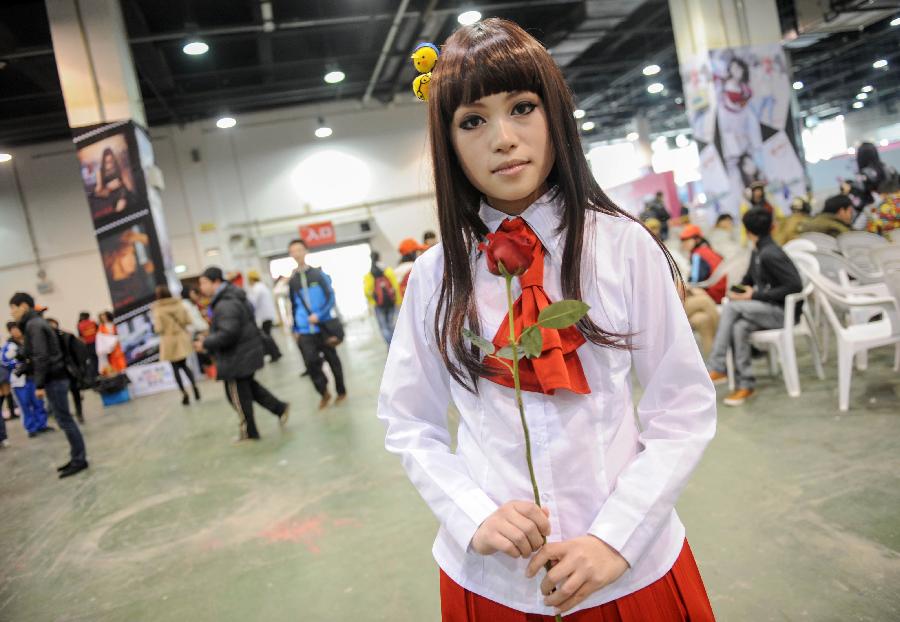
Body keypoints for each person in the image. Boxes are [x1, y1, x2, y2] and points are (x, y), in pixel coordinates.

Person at [377, 19, 716, 620]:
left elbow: (682, 407)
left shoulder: (624, 247)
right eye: (472, 120)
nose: (503, 138)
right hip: (496, 579)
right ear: (448, 141)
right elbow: (410, 420)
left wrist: (616, 536)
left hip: (628, 568)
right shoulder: (434, 276)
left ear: (554, 113)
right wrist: (472, 513)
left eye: (522, 107)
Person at [708, 208, 803, 406]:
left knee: (732, 309)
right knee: (738, 327)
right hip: (766, 310)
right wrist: (738, 290)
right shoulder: (758, 251)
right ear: (773, 227)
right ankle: (746, 384)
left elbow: (795, 286)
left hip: (783, 313)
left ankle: (718, 366)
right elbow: (748, 280)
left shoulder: (770, 254)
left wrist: (755, 294)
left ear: (747, 232)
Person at [196, 268, 289, 442]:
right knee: (249, 389)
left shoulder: (225, 302)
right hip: (244, 352)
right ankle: (279, 408)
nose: (201, 287)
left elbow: (228, 333)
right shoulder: (230, 297)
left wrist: (206, 343)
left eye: (203, 282)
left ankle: (249, 432)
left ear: (215, 282)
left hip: (237, 356)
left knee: (237, 396)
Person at [9, 293, 88, 478]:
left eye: (13, 308)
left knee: (65, 420)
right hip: (55, 378)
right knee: (63, 419)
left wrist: (39, 384)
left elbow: (41, 356)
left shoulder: (34, 325)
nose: (12, 313)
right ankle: (76, 456)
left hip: (54, 379)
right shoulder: (35, 323)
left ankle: (80, 459)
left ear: (23, 306)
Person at [288, 239, 347, 409]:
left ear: (305, 251)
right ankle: (323, 392)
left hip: (323, 325)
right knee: (310, 362)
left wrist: (319, 315)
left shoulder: (318, 275)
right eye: (293, 251)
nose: (297, 253)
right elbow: (293, 305)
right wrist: (295, 328)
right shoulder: (293, 280)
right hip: (304, 329)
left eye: (299, 249)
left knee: (333, 360)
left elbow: (330, 297)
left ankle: (341, 391)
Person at [680, 225, 725, 356]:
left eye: (686, 240)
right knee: (703, 316)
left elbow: (694, 280)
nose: (683, 244)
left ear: (696, 239)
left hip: (711, 294)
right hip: (716, 295)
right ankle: (718, 359)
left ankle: (716, 362)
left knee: (702, 315)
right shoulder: (708, 250)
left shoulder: (698, 254)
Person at [152, 285, 200, 406]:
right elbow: (188, 321)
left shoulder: (158, 309)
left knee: (175, 368)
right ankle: (194, 387)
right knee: (184, 365)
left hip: (168, 340)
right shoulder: (179, 304)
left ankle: (184, 393)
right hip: (181, 338)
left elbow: (159, 328)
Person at [2, 322, 51, 437]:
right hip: (19, 381)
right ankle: (31, 428)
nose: (16, 332)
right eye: (13, 330)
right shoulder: (9, 346)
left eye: (18, 329)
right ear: (10, 332)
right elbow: (4, 361)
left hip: (33, 377)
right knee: (25, 405)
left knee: (38, 402)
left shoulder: (29, 342)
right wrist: (18, 364)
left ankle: (42, 425)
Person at [46, 318, 88, 424]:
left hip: (69, 370)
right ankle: (61, 417)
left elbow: (79, 351)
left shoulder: (66, 336)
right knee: (58, 397)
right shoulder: (45, 341)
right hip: (57, 373)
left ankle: (79, 414)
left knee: (75, 393)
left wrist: (79, 368)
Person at [363, 251, 400, 345]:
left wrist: (373, 302)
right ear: (380, 257)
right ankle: (396, 345)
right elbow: (395, 286)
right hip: (392, 302)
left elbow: (367, 291)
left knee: (384, 328)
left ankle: (390, 347)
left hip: (379, 305)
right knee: (393, 325)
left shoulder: (369, 274)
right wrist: (398, 300)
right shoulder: (388, 270)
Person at [246, 270, 282, 362]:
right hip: (267, 315)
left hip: (264, 316)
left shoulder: (257, 288)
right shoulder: (261, 286)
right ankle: (276, 353)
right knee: (268, 335)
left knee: (266, 336)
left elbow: (253, 303)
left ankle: (275, 354)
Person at [77, 311, 100, 380]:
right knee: (97, 359)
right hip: (96, 342)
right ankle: (98, 373)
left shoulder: (79, 325)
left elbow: (80, 336)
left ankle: (95, 375)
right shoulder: (93, 322)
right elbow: (98, 331)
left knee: (92, 360)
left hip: (87, 345)